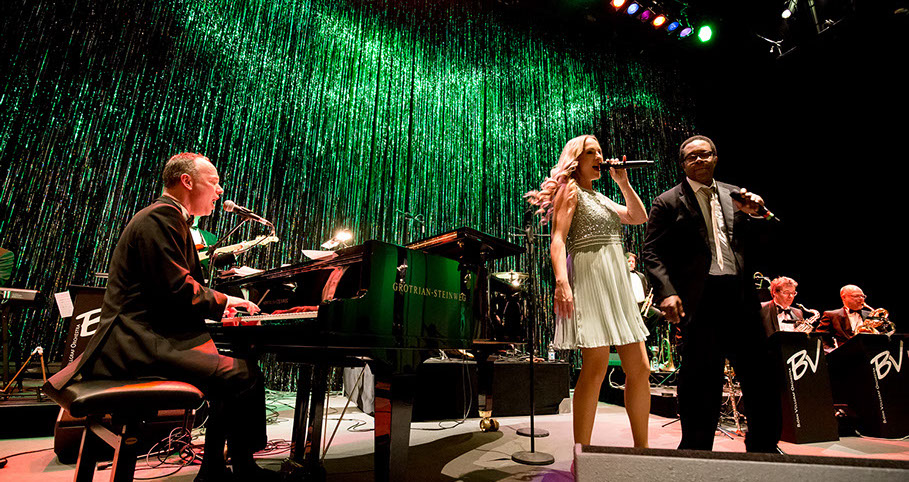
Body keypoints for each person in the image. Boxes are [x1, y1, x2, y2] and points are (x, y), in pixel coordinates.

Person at [45, 153, 277, 481]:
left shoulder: (166, 217)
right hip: (136, 344)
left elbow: (170, 290)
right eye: (213, 182)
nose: (220, 190)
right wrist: (226, 301)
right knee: (242, 374)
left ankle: (216, 470)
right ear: (187, 181)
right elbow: (176, 288)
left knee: (234, 371)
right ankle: (242, 470)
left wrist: (217, 305)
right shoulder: (161, 217)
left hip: (142, 337)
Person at [641, 134, 781, 452]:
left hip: (741, 297)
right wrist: (667, 292)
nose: (699, 160)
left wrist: (762, 214)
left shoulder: (736, 195)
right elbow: (651, 252)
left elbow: (771, 240)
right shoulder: (668, 201)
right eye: (692, 156)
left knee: (761, 375)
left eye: (705, 154)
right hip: (700, 300)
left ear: (715, 157)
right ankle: (696, 450)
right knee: (701, 379)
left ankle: (764, 448)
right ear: (683, 164)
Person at [526, 134, 651, 448]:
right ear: (576, 160)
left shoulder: (601, 197)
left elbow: (638, 217)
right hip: (590, 279)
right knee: (595, 367)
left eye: (600, 152)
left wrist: (623, 183)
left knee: (640, 367)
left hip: (617, 284)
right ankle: (582, 451)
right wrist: (561, 282)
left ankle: (643, 449)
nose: (600, 157)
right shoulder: (571, 191)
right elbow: (558, 239)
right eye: (591, 152)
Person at [815, 284, 871, 349]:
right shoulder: (831, 315)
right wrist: (832, 352)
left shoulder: (870, 315)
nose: (861, 299)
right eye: (856, 296)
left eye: (862, 296)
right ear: (844, 297)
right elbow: (820, 339)